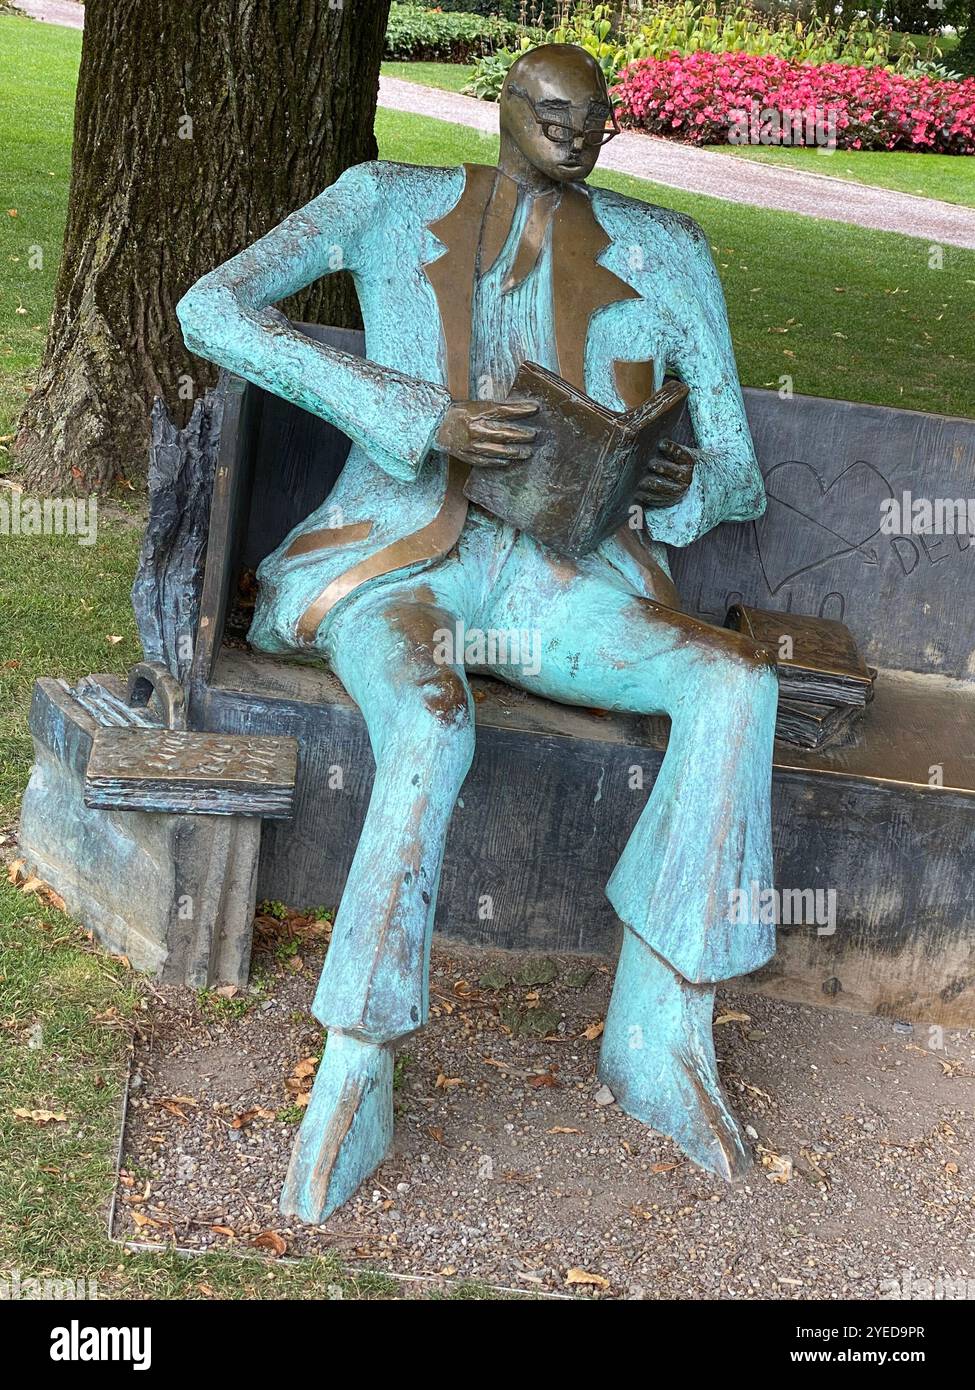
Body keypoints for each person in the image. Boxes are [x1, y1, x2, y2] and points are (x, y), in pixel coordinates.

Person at [177, 44, 779, 1223]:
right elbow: (211, 308)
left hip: (566, 582)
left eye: (596, 121)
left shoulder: (672, 253)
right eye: (553, 114)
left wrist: (674, 487)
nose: (577, 136)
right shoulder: (383, 202)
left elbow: (739, 477)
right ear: (501, 107)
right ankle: (357, 1056)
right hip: (398, 561)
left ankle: (664, 1033)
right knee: (434, 717)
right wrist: (413, 414)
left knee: (735, 688)